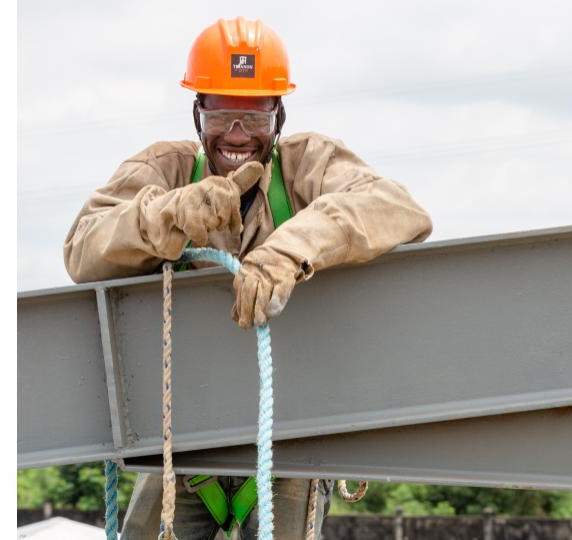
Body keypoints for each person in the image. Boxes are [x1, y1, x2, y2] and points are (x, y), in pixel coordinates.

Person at [63, 16, 432, 539]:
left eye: (254, 116)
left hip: (287, 438)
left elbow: (397, 207)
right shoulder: (164, 169)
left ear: (278, 115)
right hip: (186, 444)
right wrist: (167, 215)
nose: (237, 135)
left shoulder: (308, 165)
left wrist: (291, 248)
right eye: (223, 113)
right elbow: (83, 248)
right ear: (199, 113)